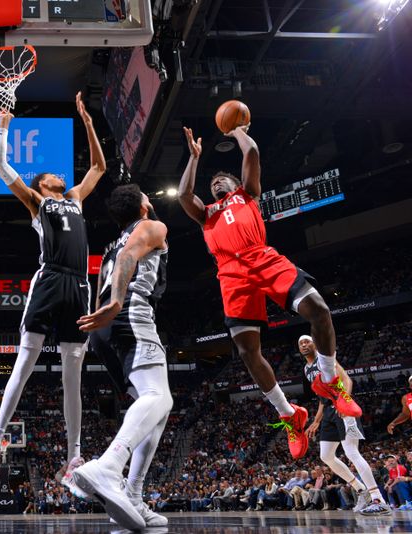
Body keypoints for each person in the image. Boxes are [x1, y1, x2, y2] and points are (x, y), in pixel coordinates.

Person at [177, 125, 360, 460]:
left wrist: (238, 132)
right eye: (212, 182)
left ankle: (330, 381)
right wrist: (193, 157)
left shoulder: (247, 195)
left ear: (237, 185)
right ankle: (289, 414)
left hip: (261, 258)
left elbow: (252, 154)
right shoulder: (206, 215)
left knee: (319, 309)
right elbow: (183, 196)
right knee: (247, 351)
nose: (217, 182)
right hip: (231, 275)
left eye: (222, 180)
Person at [0, 92, 107, 496]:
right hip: (50, 279)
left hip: (80, 286)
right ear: (41, 184)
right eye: (52, 175)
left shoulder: (75, 200)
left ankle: (74, 459)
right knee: (25, 361)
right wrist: (3, 125)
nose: (60, 176)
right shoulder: (37, 203)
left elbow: (100, 166)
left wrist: (87, 122)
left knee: (73, 376)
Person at [71, 185, 170, 531]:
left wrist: (103, 312)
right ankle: (109, 466)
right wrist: (115, 304)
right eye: (147, 196)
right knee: (160, 396)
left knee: (153, 407)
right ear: (143, 206)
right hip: (129, 313)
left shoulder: (111, 244)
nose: (151, 200)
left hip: (104, 330)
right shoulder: (152, 228)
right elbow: (129, 259)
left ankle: (132, 496)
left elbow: (106, 274)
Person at [300, 335, 391, 515]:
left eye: (307, 341)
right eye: (301, 343)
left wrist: (345, 401)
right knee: (326, 455)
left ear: (315, 344)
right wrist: (316, 420)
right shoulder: (306, 368)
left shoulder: (324, 359)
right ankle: (360, 490)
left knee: (351, 452)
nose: (304, 345)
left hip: (342, 406)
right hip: (328, 411)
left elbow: (347, 380)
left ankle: (378, 499)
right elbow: (322, 397)